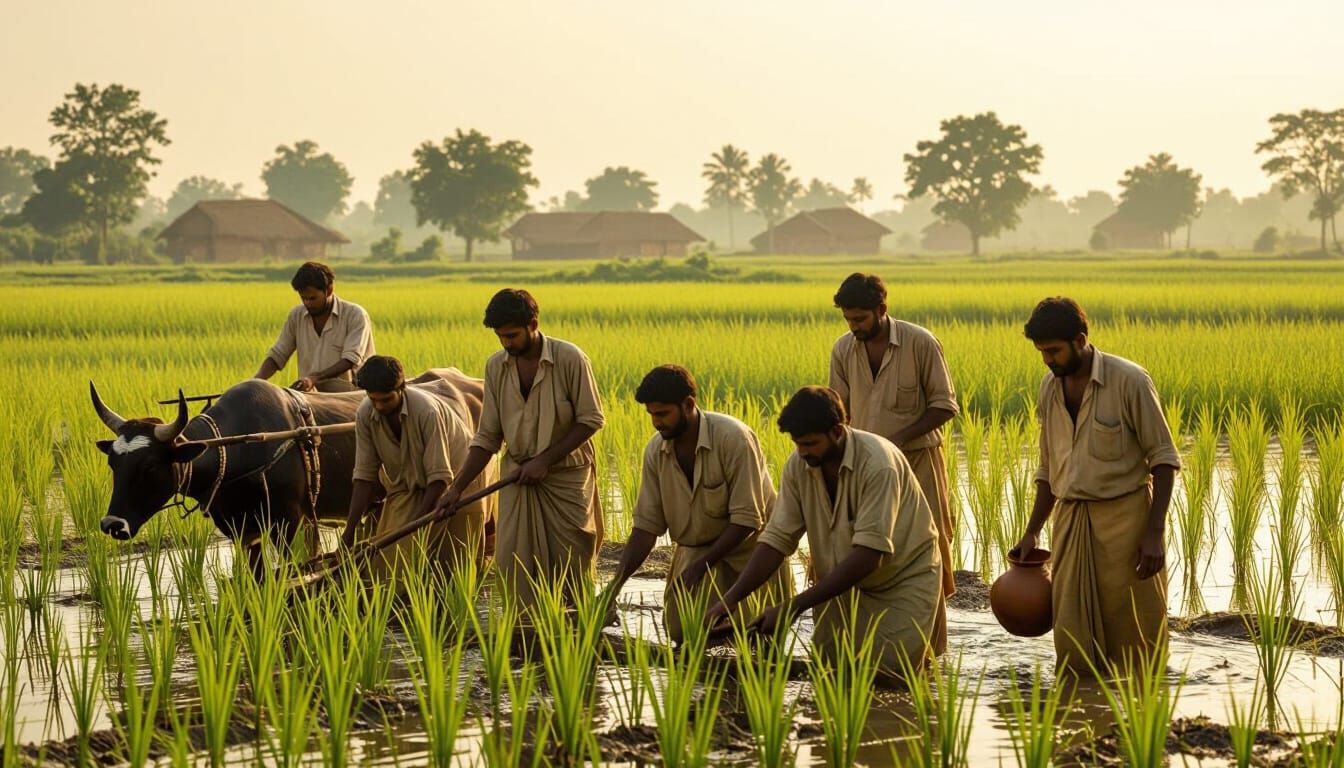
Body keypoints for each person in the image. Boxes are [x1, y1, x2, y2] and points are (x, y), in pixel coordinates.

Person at [706, 386, 944, 676]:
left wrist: (792, 607)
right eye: (797, 444)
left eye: (810, 443)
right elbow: (776, 541)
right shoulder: (799, 467)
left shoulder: (879, 464)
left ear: (838, 432)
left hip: (902, 579)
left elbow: (869, 556)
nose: (802, 452)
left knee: (889, 674)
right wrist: (728, 601)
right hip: (840, 581)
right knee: (829, 669)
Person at [1011, 297, 1180, 674]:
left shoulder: (1130, 381)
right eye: (1041, 352)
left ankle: (1141, 715)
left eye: (1053, 351)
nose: (1047, 360)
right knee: (1073, 631)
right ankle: (1084, 712)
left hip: (1126, 518)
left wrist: (1154, 533)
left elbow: (1164, 459)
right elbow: (1048, 468)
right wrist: (1032, 530)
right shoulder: (1049, 387)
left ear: (1081, 339)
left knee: (1135, 631)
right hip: (1071, 520)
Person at [437, 289, 605, 608]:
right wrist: (456, 488)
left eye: (512, 335)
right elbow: (487, 436)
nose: (506, 344)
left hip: (566, 477)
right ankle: (526, 633)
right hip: (518, 478)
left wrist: (544, 461)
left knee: (573, 562)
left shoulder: (570, 359)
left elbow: (591, 419)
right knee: (515, 562)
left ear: (533, 324)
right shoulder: (497, 367)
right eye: (501, 337)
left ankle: (578, 626)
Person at [606, 365, 793, 643]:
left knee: (758, 634)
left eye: (662, 414)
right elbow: (646, 527)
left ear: (688, 404)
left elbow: (746, 521)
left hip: (752, 551)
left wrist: (697, 569)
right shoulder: (656, 451)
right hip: (697, 548)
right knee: (684, 631)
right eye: (651, 415)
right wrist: (614, 587)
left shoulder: (733, 438)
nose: (656, 423)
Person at [828, 272, 958, 654]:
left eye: (861, 319)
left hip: (918, 464)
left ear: (881, 310)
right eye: (849, 320)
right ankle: (871, 644)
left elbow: (944, 405)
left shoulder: (920, 343)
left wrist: (898, 439)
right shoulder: (843, 349)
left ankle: (932, 649)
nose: (854, 327)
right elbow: (839, 411)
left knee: (928, 552)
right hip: (866, 468)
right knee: (867, 550)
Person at [341, 356, 492, 580]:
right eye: (374, 400)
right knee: (386, 565)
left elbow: (440, 478)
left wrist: (414, 527)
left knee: (449, 571)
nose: (380, 406)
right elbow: (364, 476)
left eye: (386, 399)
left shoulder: (426, 411)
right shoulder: (366, 414)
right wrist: (349, 530)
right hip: (409, 485)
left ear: (402, 388)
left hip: (459, 485)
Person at [254, 261, 375, 392]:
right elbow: (278, 354)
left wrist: (314, 378)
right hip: (312, 399)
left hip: (349, 398)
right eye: (303, 298)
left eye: (312, 298)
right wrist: (256, 380)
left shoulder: (354, 315)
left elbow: (350, 359)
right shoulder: (296, 316)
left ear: (329, 290)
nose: (307, 303)